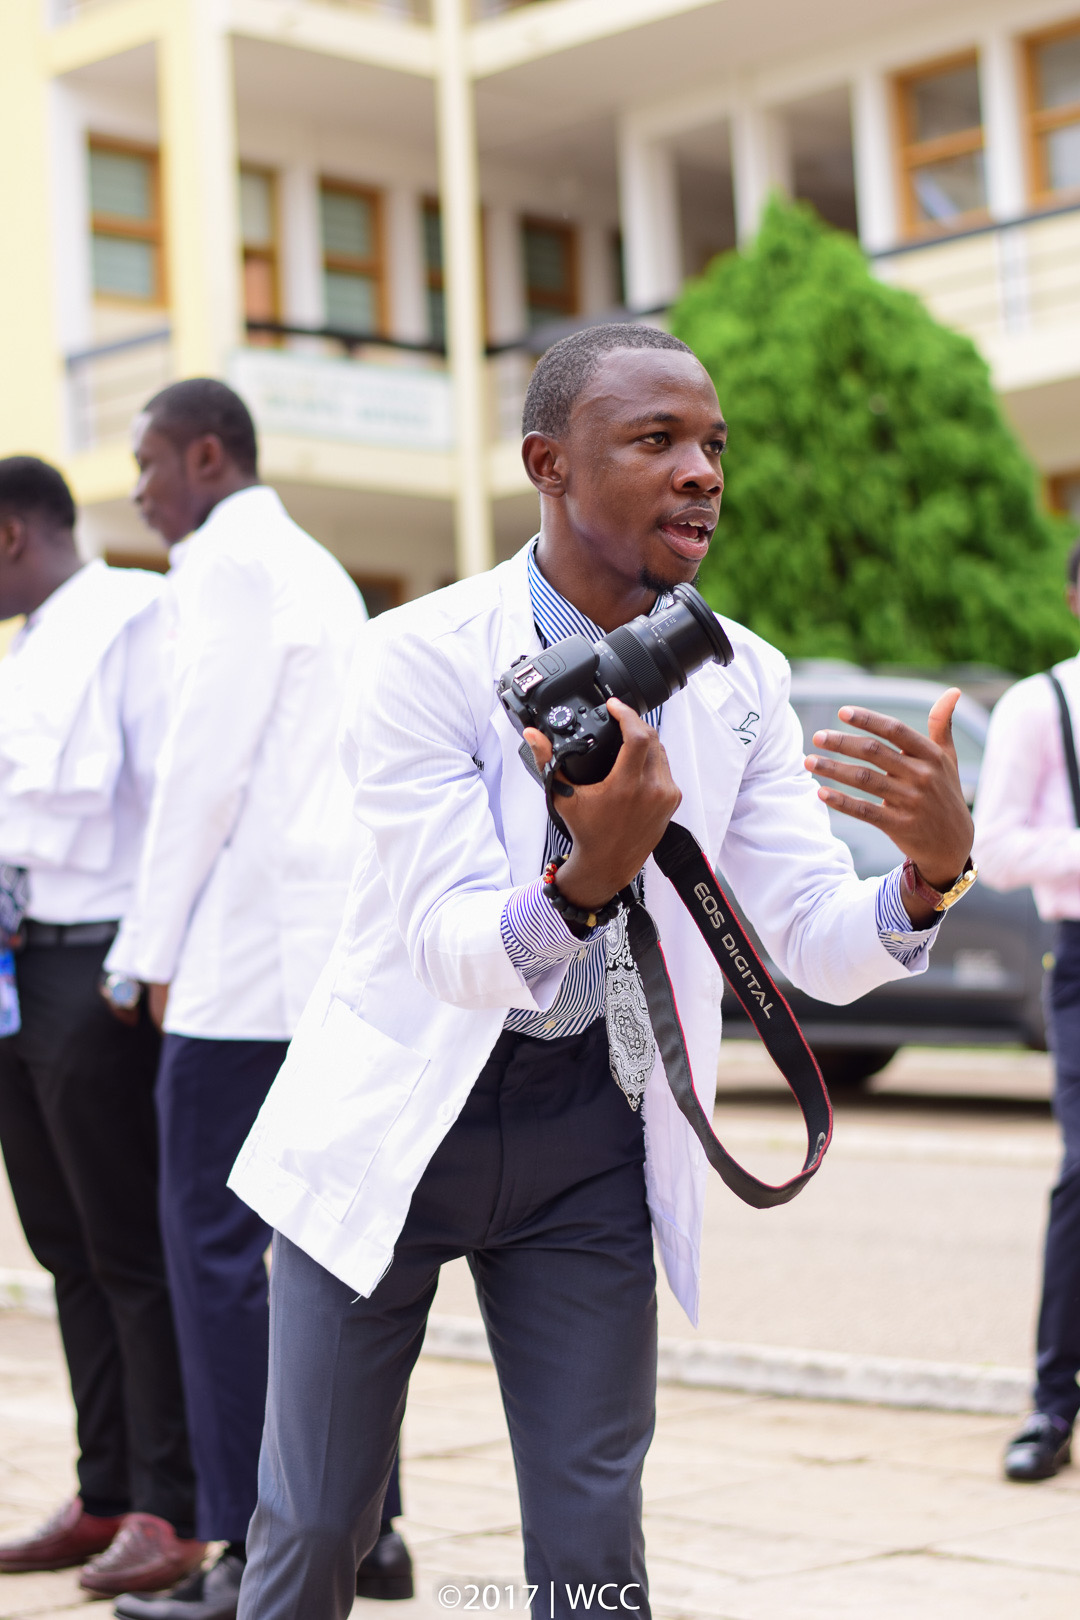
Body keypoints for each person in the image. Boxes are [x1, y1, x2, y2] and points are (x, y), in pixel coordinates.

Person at [229, 324, 976, 1620]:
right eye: (657, 442)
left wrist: (928, 878)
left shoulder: (741, 675)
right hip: (395, 1120)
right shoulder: (418, 655)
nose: (702, 473)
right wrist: (580, 886)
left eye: (713, 447)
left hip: (589, 1139)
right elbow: (447, 945)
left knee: (591, 1543)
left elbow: (801, 932)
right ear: (549, 464)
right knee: (312, 1528)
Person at [102, 381, 410, 1620]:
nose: (138, 488)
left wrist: (139, 950)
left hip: (243, 970)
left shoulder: (226, 563)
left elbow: (199, 773)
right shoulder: (317, 567)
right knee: (327, 1255)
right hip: (322, 957)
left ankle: (244, 1548)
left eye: (148, 462)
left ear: (207, 456)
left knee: (215, 1252)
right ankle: (370, 1537)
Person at [0, 456, 204, 1597]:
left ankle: (168, 1510)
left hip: (105, 969)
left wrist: (155, 972)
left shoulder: (137, 618)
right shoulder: (33, 645)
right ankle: (105, 1485)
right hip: (21, 967)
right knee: (63, 1247)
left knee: (132, 1252)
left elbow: (181, 798)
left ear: (9, 533)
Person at [974, 539, 1080, 1483]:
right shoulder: (1040, 706)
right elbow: (997, 847)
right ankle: (1053, 1405)